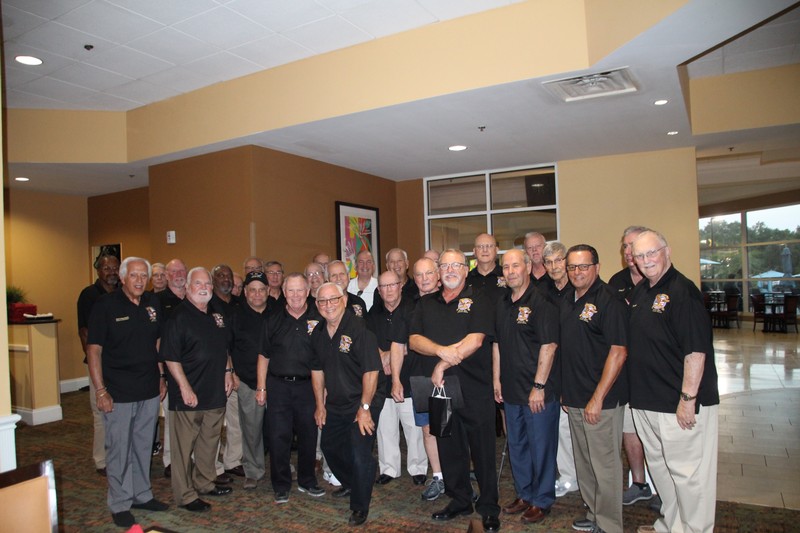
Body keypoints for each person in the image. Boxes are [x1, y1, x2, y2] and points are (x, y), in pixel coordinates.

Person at [629, 230, 719, 533]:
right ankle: (671, 525)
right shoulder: (642, 291)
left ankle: (694, 529)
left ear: (666, 251)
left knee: (689, 475)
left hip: (677, 403)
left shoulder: (683, 291)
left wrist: (687, 400)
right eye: (639, 256)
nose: (646, 260)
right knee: (661, 469)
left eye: (651, 253)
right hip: (646, 401)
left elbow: (696, 351)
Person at [409, 249, 500, 532]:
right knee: (449, 447)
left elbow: (475, 340)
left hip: (474, 388)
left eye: (455, 265)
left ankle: (489, 507)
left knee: (482, 450)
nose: (449, 270)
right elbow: (414, 340)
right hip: (439, 390)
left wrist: (441, 365)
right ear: (438, 271)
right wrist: (441, 352)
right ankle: (460, 499)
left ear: (465, 269)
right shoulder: (426, 303)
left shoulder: (480, 299)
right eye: (444, 266)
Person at [86, 257, 169, 527]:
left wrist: (161, 376)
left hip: (148, 388)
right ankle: (120, 502)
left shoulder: (152, 303)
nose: (139, 280)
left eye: (143, 275)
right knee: (119, 449)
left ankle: (141, 495)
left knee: (143, 446)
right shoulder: (105, 306)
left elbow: (157, 342)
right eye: (133, 275)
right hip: (118, 391)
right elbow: (94, 350)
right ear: (123, 278)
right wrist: (101, 391)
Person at [560, 245, 629, 533]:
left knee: (605, 465)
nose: (577, 272)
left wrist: (597, 398)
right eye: (572, 267)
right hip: (574, 396)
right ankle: (594, 513)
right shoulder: (568, 298)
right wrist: (566, 392)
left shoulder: (609, 300)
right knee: (585, 462)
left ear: (597, 268)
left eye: (583, 266)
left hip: (601, 400)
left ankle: (610, 525)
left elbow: (618, 352)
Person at [493, 249, 560, 524]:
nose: (510, 271)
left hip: (537, 392)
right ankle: (524, 494)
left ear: (528, 267)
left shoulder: (542, 302)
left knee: (541, 447)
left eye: (515, 266)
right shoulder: (502, 302)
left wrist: (539, 385)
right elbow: (496, 344)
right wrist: (496, 379)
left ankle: (542, 500)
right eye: (506, 267)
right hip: (510, 389)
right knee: (517, 445)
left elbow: (549, 345)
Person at [161, 267, 235, 513]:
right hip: (188, 395)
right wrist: (184, 387)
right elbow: (170, 356)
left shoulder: (216, 314)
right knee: (183, 448)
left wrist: (227, 371)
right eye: (198, 283)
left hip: (215, 392)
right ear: (187, 287)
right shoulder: (178, 317)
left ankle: (205, 482)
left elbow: (223, 347)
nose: (204, 288)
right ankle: (185, 495)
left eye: (207, 284)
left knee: (209, 442)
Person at [311, 282, 385, 527]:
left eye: (333, 299)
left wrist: (364, 409)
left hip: (365, 399)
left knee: (359, 452)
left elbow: (371, 371)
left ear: (344, 300)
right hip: (336, 401)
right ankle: (356, 483)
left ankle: (360, 506)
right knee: (330, 446)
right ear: (317, 305)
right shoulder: (318, 333)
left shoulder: (360, 329)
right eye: (323, 301)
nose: (328, 305)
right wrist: (320, 405)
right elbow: (317, 370)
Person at [259, 273, 325, 502]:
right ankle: (281, 484)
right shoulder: (273, 319)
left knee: (308, 435)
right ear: (284, 293)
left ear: (307, 292)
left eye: (300, 290)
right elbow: (264, 355)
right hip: (278, 386)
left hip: (308, 387)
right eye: (291, 290)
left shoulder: (319, 318)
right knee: (279, 436)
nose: (295, 295)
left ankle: (307, 481)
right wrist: (261, 387)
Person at [607, 226, 658, 509]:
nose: (628, 252)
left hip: (655, 373)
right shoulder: (616, 283)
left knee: (657, 434)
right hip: (626, 372)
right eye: (625, 246)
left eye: (633, 246)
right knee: (630, 430)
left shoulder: (659, 281)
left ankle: (663, 487)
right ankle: (639, 483)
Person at [369, 271, 427, 486]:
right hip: (383, 379)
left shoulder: (413, 309)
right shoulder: (373, 314)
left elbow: (415, 342)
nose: (388, 290)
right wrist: (384, 356)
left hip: (410, 376)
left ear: (401, 285)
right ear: (379, 290)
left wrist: (391, 355)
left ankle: (418, 467)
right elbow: (368, 342)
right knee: (386, 428)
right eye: (383, 287)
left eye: (392, 285)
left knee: (414, 428)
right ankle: (389, 468)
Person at [404, 257, 446, 501]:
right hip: (420, 377)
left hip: (445, 376)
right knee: (428, 430)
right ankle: (438, 476)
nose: (424, 279)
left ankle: (456, 476)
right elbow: (404, 343)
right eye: (419, 274)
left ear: (437, 275)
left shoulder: (447, 301)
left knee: (448, 429)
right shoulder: (409, 305)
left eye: (428, 273)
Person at [77, 252, 120, 476]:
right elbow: (84, 332)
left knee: (119, 412)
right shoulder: (89, 295)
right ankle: (102, 460)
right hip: (100, 363)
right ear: (98, 270)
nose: (111, 272)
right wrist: (95, 361)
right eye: (106, 268)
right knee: (100, 413)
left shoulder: (122, 293)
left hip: (119, 364)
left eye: (115, 268)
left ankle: (118, 455)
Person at [542, 241, 579, 499]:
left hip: (575, 367)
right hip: (550, 369)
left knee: (572, 429)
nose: (554, 266)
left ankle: (575, 477)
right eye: (549, 262)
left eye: (558, 260)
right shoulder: (542, 292)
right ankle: (567, 475)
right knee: (558, 428)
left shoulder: (578, 290)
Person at [229, 271, 270, 490]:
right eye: (252, 290)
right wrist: (232, 373)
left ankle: (282, 466)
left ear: (268, 291)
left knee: (278, 429)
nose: (257, 294)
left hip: (277, 381)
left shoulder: (277, 312)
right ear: (245, 292)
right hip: (247, 381)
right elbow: (226, 347)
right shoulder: (236, 316)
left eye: (261, 290)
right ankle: (253, 470)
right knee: (252, 430)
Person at [210, 264, 244, 484]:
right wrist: (227, 369)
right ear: (213, 280)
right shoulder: (207, 305)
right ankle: (213, 466)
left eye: (228, 276)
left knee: (236, 420)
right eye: (220, 276)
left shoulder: (239, 304)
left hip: (238, 371)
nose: (225, 279)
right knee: (213, 422)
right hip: (216, 371)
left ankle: (232, 460)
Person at [157, 258, 188, 479]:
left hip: (196, 369)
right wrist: (161, 374)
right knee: (172, 417)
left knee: (193, 418)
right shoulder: (158, 301)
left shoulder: (194, 298)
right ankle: (170, 460)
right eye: (174, 271)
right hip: (171, 370)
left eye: (181, 271)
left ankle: (191, 458)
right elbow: (157, 341)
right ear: (167, 276)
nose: (178, 275)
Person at [466, 233, 507, 303]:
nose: (485, 250)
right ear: (474, 251)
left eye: (489, 246)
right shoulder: (466, 279)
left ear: (496, 250)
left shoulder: (507, 276)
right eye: (480, 246)